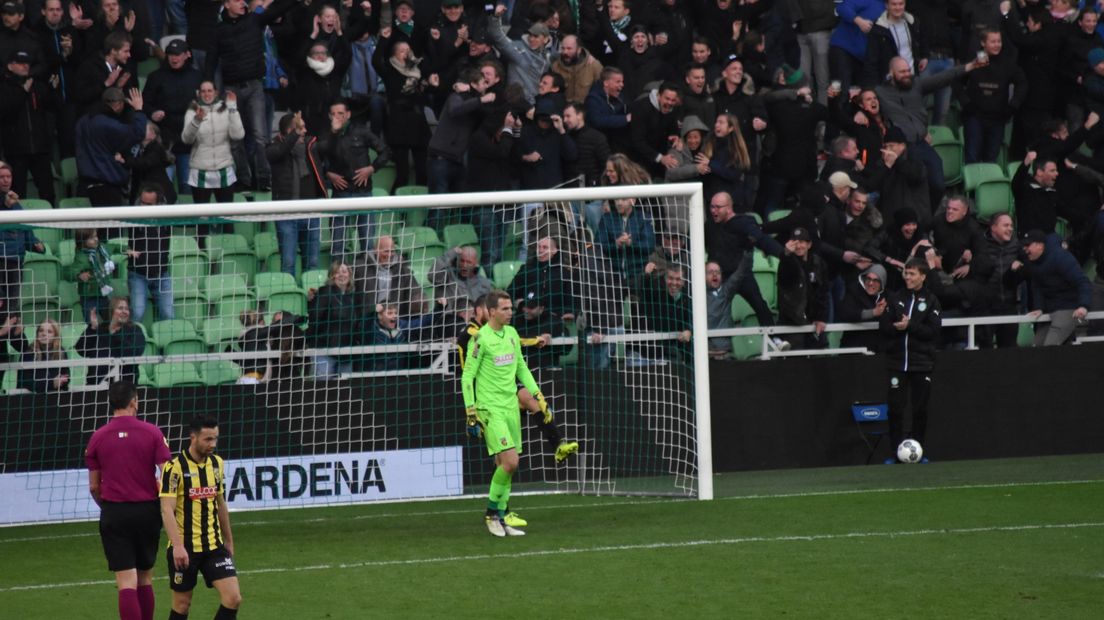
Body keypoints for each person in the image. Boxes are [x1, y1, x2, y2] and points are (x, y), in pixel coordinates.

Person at [461, 290, 549, 537]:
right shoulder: (480, 339)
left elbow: (521, 368)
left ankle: (502, 517)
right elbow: (467, 376)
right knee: (511, 462)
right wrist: (471, 411)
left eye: (511, 308)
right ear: (491, 312)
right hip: (490, 410)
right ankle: (491, 514)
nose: (511, 312)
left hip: (510, 407)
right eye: (505, 309)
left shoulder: (511, 334)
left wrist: (538, 396)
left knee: (505, 465)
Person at [85, 380, 172, 620]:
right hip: (147, 512)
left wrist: (109, 507)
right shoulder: (152, 432)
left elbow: (94, 486)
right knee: (145, 577)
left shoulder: (98, 437)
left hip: (114, 512)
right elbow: (168, 473)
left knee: (126, 582)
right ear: (134, 401)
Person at [159, 415, 241, 620]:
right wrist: (177, 546)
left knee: (233, 598)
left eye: (215, 438)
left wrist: (228, 540)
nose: (212, 444)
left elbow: (220, 503)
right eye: (208, 439)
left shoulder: (217, 464)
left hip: (214, 547)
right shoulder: (174, 467)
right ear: (193, 438)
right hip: (185, 548)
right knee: (182, 605)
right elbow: (166, 510)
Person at [879, 257, 941, 463]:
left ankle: (919, 451)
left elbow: (933, 331)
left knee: (920, 409)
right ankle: (896, 453)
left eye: (912, 273)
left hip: (922, 362)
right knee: (895, 409)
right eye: (906, 272)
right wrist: (896, 326)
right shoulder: (895, 298)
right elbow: (885, 328)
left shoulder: (931, 300)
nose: (907, 277)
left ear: (923, 276)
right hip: (897, 363)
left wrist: (910, 325)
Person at [315, 98, 391, 263]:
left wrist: (371, 168)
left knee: (367, 244)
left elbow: (385, 151)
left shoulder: (362, 131)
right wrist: (328, 173)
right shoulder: (325, 134)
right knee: (338, 245)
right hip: (340, 194)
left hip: (363, 192)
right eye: (333, 114)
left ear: (348, 114)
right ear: (329, 116)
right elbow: (314, 158)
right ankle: (337, 282)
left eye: (341, 113)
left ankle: (366, 281)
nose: (337, 117)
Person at [266, 111, 322, 277]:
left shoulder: (310, 146)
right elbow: (280, 152)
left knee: (312, 263)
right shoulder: (273, 148)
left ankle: (312, 300)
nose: (304, 131)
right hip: (287, 215)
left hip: (310, 212)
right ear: (291, 131)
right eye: (300, 128)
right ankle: (289, 301)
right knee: (288, 263)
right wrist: (294, 135)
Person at [1020, 230, 1092, 346]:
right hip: (1049, 311)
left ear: (1040, 245)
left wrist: (1083, 305)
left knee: (1050, 346)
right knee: (1036, 346)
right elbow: (1037, 287)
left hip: (1069, 309)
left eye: (1028, 245)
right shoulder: (1032, 264)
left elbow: (1082, 281)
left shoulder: (1061, 258)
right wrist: (1039, 307)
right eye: (1024, 246)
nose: (1025, 249)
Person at [181, 81, 245, 212]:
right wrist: (196, 121)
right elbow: (186, 140)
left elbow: (238, 135)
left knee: (226, 217)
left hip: (224, 168)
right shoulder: (192, 110)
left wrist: (232, 108)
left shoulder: (226, 109)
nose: (206, 94)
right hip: (200, 170)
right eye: (203, 91)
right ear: (198, 93)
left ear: (216, 92)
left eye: (210, 90)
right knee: (202, 218)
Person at [307, 260, 366, 379]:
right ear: (332, 276)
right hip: (324, 352)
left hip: (346, 353)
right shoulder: (324, 292)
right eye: (337, 272)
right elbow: (314, 319)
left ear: (349, 274)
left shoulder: (354, 297)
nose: (341, 275)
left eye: (344, 271)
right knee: (323, 391)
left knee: (344, 392)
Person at [0, 162, 44, 320]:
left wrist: (36, 244)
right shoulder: (8, 202)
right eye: (2, 177)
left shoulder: (16, 204)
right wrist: (5, 205)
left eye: (8, 176)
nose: (6, 180)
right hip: (1, 259)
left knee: (12, 306)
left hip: (16, 261)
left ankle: (16, 341)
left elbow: (25, 230)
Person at [777, 227, 831, 349]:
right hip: (792, 322)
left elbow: (823, 292)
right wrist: (786, 254)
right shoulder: (787, 262)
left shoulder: (818, 263)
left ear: (809, 244)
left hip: (814, 320)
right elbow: (785, 274)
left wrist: (821, 318)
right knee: (796, 361)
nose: (798, 246)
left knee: (822, 354)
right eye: (795, 242)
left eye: (802, 242)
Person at [126, 187, 173, 323]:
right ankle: (131, 342)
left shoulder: (167, 218)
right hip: (138, 275)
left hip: (161, 274)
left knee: (169, 315)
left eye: (148, 204)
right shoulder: (132, 217)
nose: (143, 207)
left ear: (158, 204)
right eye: (142, 202)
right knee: (137, 313)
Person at [75, 296, 146, 385]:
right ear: (111, 310)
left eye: (127, 309)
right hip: (96, 385)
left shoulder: (135, 330)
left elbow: (134, 352)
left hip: (124, 386)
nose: (124, 311)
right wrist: (92, 328)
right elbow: (81, 350)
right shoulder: (100, 329)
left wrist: (114, 334)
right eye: (120, 308)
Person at [0, 316, 69, 392]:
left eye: (49, 331)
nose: (44, 334)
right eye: (41, 330)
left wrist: (62, 382)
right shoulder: (29, 352)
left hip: (54, 396)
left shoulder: (61, 352)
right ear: (37, 333)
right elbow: (27, 384)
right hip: (31, 399)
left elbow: (66, 377)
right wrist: (52, 383)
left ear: (55, 335)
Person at [66, 228, 118, 323]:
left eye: (96, 236)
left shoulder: (102, 249)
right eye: (91, 238)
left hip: (104, 295)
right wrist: (79, 275)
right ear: (82, 241)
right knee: (91, 324)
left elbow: (115, 247)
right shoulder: (81, 257)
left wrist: (128, 250)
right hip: (89, 297)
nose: (96, 239)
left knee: (111, 322)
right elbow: (68, 272)